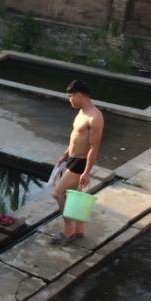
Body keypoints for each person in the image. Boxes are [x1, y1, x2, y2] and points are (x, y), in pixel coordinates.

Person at [52, 80, 104, 243]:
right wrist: (65, 155)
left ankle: (69, 229)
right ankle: (79, 228)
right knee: (72, 195)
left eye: (70, 97)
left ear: (79, 95)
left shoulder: (95, 117)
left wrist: (87, 172)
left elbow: (94, 147)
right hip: (72, 158)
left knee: (58, 193)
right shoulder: (82, 112)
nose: (70, 101)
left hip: (81, 162)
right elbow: (76, 137)